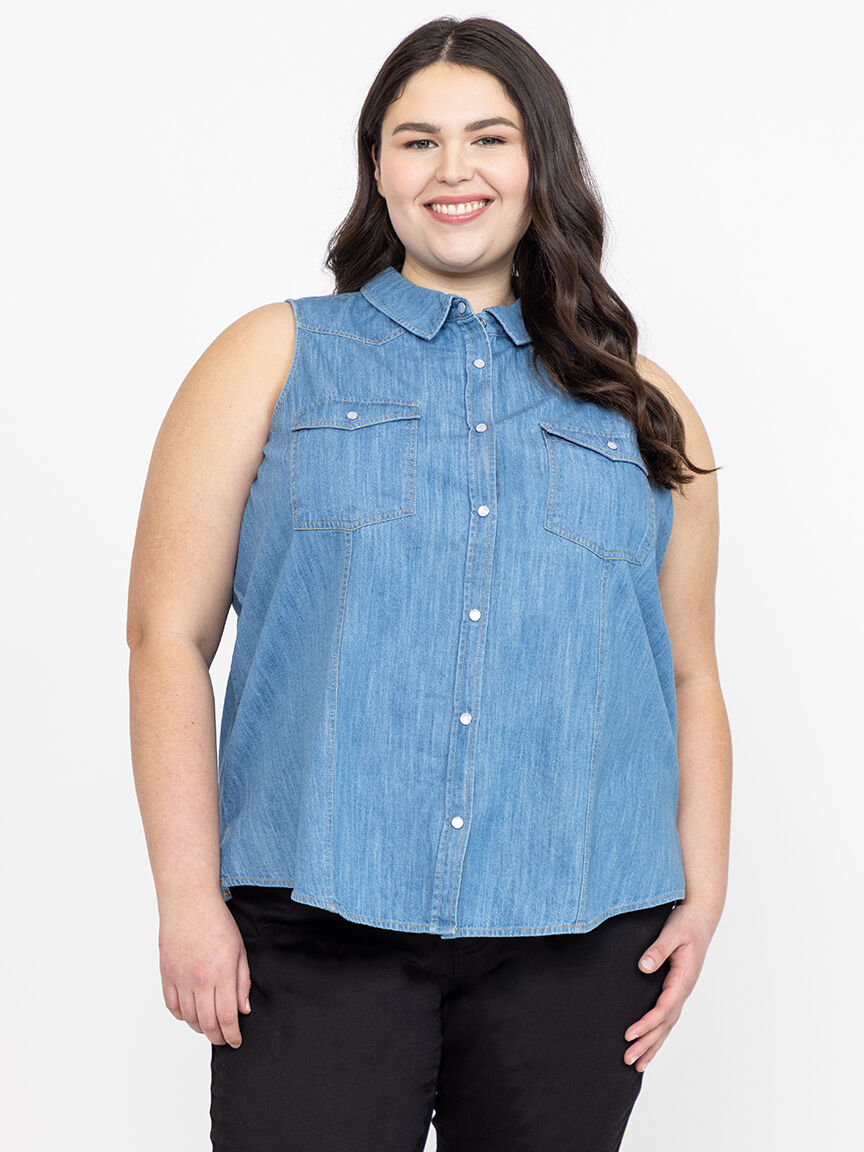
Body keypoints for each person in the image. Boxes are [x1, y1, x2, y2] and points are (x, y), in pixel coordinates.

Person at [127, 15, 732, 1152]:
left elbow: (690, 674)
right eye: (418, 141)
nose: (454, 169)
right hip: (315, 920)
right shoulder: (272, 355)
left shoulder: (645, 409)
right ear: (378, 170)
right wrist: (186, 900)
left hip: (581, 933)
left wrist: (704, 893)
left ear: (540, 163)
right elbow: (166, 637)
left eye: (489, 138)